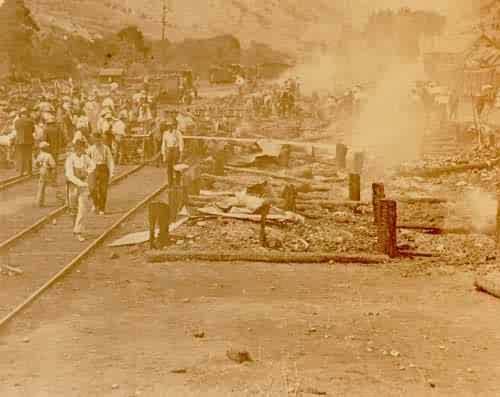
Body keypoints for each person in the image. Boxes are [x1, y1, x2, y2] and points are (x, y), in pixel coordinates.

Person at [65, 138, 95, 242]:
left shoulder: (85, 157)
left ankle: (78, 231)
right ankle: (75, 227)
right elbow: (69, 174)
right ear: (75, 148)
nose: (81, 150)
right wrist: (80, 183)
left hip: (83, 186)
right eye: (78, 148)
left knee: (83, 209)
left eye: (82, 148)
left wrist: (87, 171)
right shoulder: (70, 159)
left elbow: (93, 165)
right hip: (73, 186)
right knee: (73, 209)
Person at [87, 132, 114, 215]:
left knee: (103, 190)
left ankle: (102, 208)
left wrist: (112, 171)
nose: (97, 141)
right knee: (92, 188)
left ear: (101, 139)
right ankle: (96, 204)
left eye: (98, 140)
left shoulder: (106, 148)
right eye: (95, 140)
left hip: (103, 168)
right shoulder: (91, 149)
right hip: (93, 169)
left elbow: (110, 160)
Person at [160, 118, 184, 186]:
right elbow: (163, 145)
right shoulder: (165, 133)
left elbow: (181, 143)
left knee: (177, 167)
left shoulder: (178, 133)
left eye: (171, 125)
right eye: (168, 126)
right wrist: (164, 155)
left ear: (173, 126)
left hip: (175, 150)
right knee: (169, 168)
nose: (170, 127)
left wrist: (181, 154)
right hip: (169, 151)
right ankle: (170, 183)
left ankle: (177, 182)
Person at [34, 141, 56, 207]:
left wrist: (40, 166)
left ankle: (40, 202)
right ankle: (39, 202)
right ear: (45, 148)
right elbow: (53, 165)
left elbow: (36, 164)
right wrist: (51, 169)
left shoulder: (39, 155)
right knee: (42, 187)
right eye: (47, 147)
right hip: (46, 170)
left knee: (41, 186)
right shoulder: (49, 155)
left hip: (41, 170)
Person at [14, 108, 35, 176]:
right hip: (28, 141)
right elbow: (33, 130)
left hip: (19, 141)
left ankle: (21, 172)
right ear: (26, 114)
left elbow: (16, 129)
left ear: (20, 114)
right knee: (28, 156)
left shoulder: (17, 121)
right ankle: (29, 172)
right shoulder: (30, 121)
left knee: (20, 156)